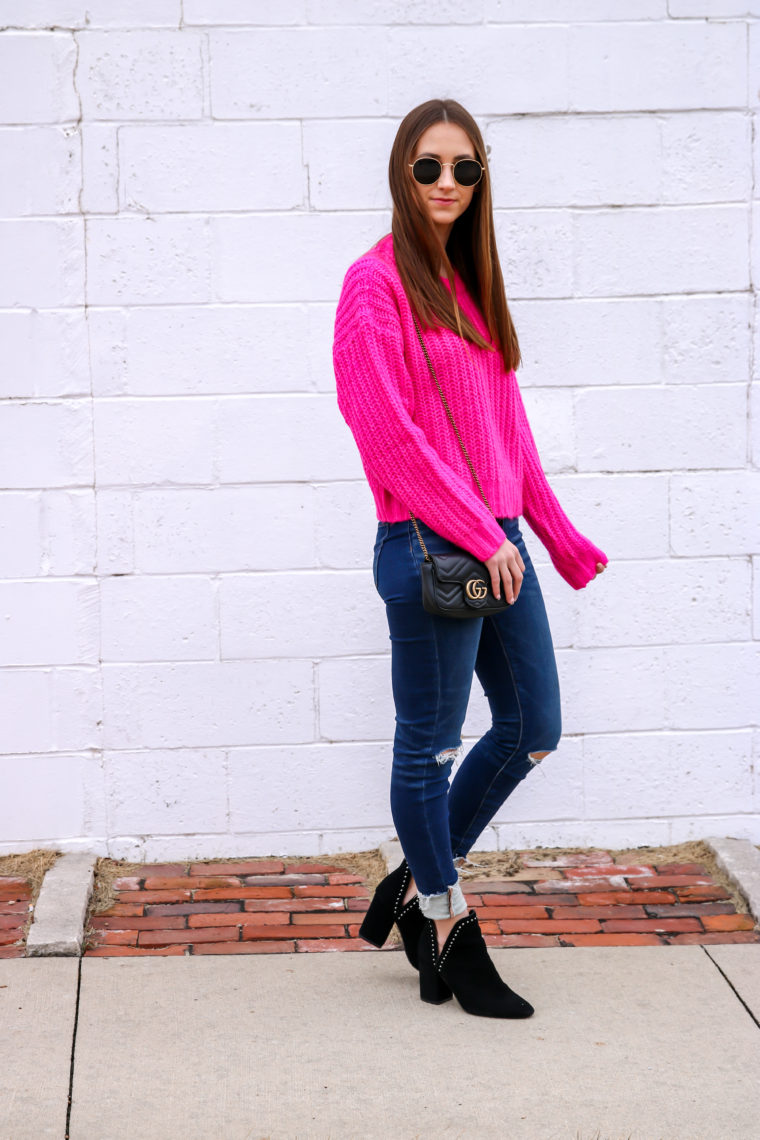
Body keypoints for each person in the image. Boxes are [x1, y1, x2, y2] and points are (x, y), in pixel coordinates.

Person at [332, 99, 608, 1019]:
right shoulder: (374, 286)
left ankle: (414, 885)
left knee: (533, 725)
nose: (447, 183)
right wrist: (484, 534)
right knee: (432, 746)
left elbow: (507, 434)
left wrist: (551, 536)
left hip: (500, 543)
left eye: (464, 169)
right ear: (401, 175)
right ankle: (448, 919)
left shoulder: (467, 283)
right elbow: (390, 440)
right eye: (429, 167)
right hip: (431, 545)